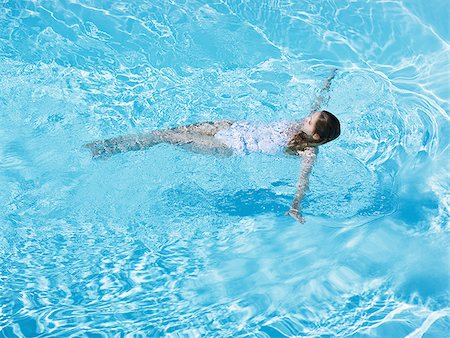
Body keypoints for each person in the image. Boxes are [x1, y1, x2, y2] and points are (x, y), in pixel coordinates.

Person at [84, 71, 341, 222]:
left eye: (311, 120)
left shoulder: (307, 151)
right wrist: (328, 80)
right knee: (168, 131)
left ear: (316, 136)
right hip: (230, 126)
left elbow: (303, 180)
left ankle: (105, 150)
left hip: (225, 146)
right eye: (312, 115)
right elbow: (318, 100)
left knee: (166, 138)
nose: (306, 117)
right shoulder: (302, 126)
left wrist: (295, 206)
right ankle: (111, 146)